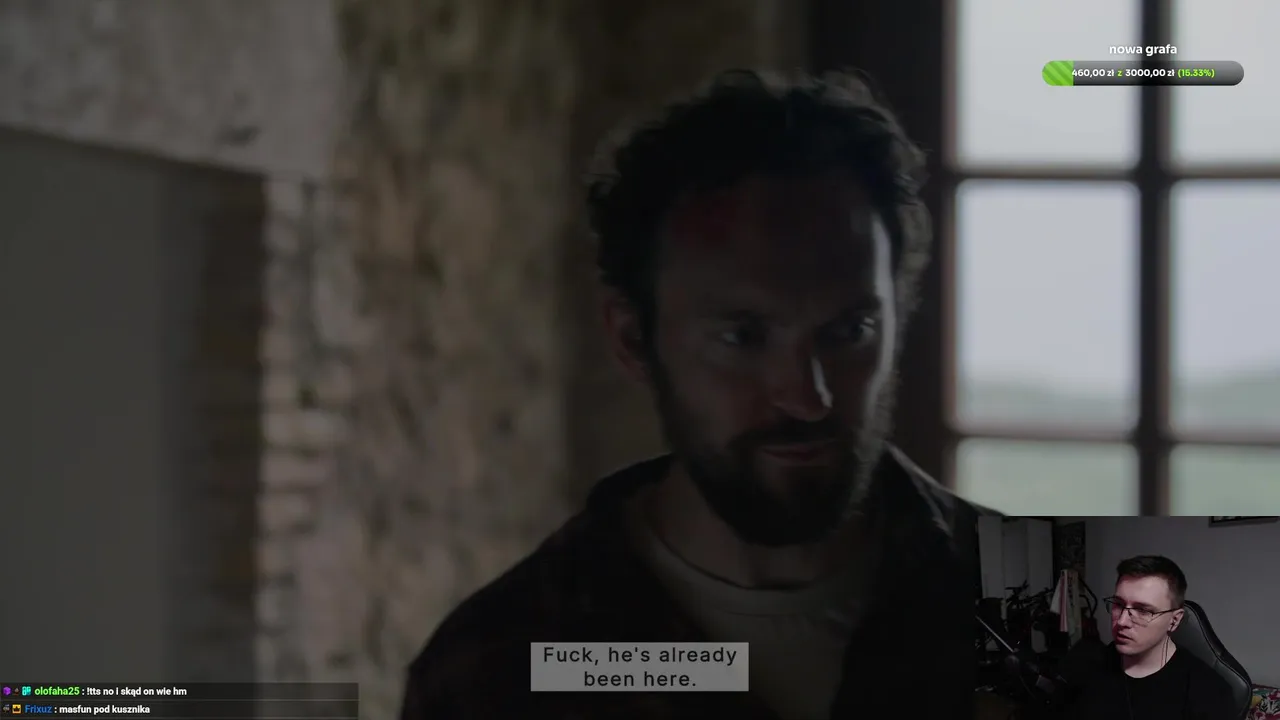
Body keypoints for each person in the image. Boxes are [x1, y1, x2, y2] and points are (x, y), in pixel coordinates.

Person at [399, 69, 997, 720]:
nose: (809, 397)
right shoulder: (507, 664)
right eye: (743, 337)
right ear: (634, 339)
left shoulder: (1047, 610)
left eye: (849, 331)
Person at [1064, 555, 1235, 720]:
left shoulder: (1210, 693)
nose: (1122, 621)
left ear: (1174, 620)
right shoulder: (1086, 666)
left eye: (1143, 610)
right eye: (1118, 604)